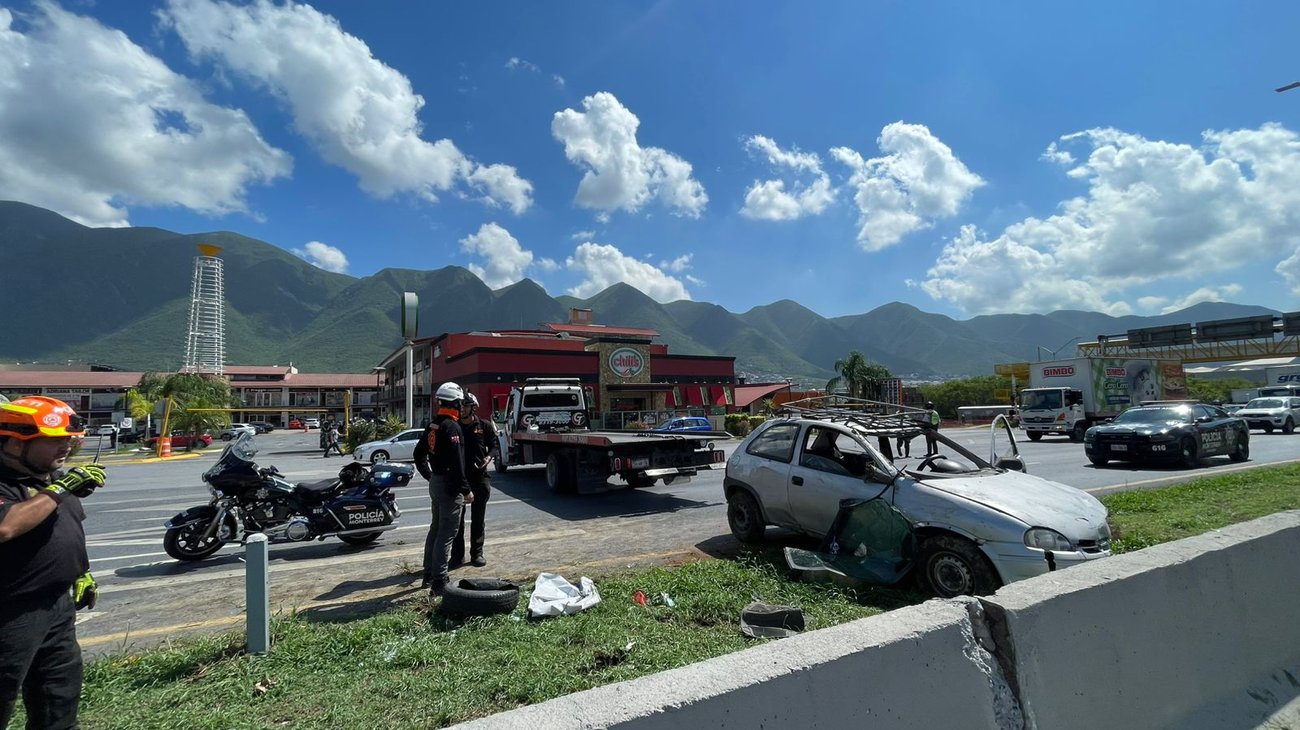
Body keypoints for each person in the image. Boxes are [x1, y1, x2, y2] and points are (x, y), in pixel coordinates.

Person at [0, 396, 106, 729]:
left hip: (57, 608)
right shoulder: (18, 484)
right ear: (15, 445)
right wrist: (60, 489)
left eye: (68, 441)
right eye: (54, 441)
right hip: (11, 612)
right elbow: (6, 526)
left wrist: (82, 572)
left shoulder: (49, 481)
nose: (64, 449)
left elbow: (69, 529)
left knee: (58, 699)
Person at [413, 382, 473, 596]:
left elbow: (418, 455)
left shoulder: (433, 425)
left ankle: (428, 574)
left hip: (436, 482)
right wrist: (466, 490)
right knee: (447, 533)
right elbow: (457, 465)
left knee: (435, 529)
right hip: (448, 485)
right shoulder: (452, 427)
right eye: (461, 403)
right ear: (456, 403)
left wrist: (430, 476)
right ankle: (439, 581)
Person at [451, 393, 497, 568]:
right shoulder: (454, 427)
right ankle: (457, 556)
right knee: (457, 521)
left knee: (478, 519)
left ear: (473, 407)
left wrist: (488, 457)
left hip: (480, 478)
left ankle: (477, 554)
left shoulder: (483, 425)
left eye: (465, 406)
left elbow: (493, 445)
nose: (462, 409)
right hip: (460, 479)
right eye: (459, 406)